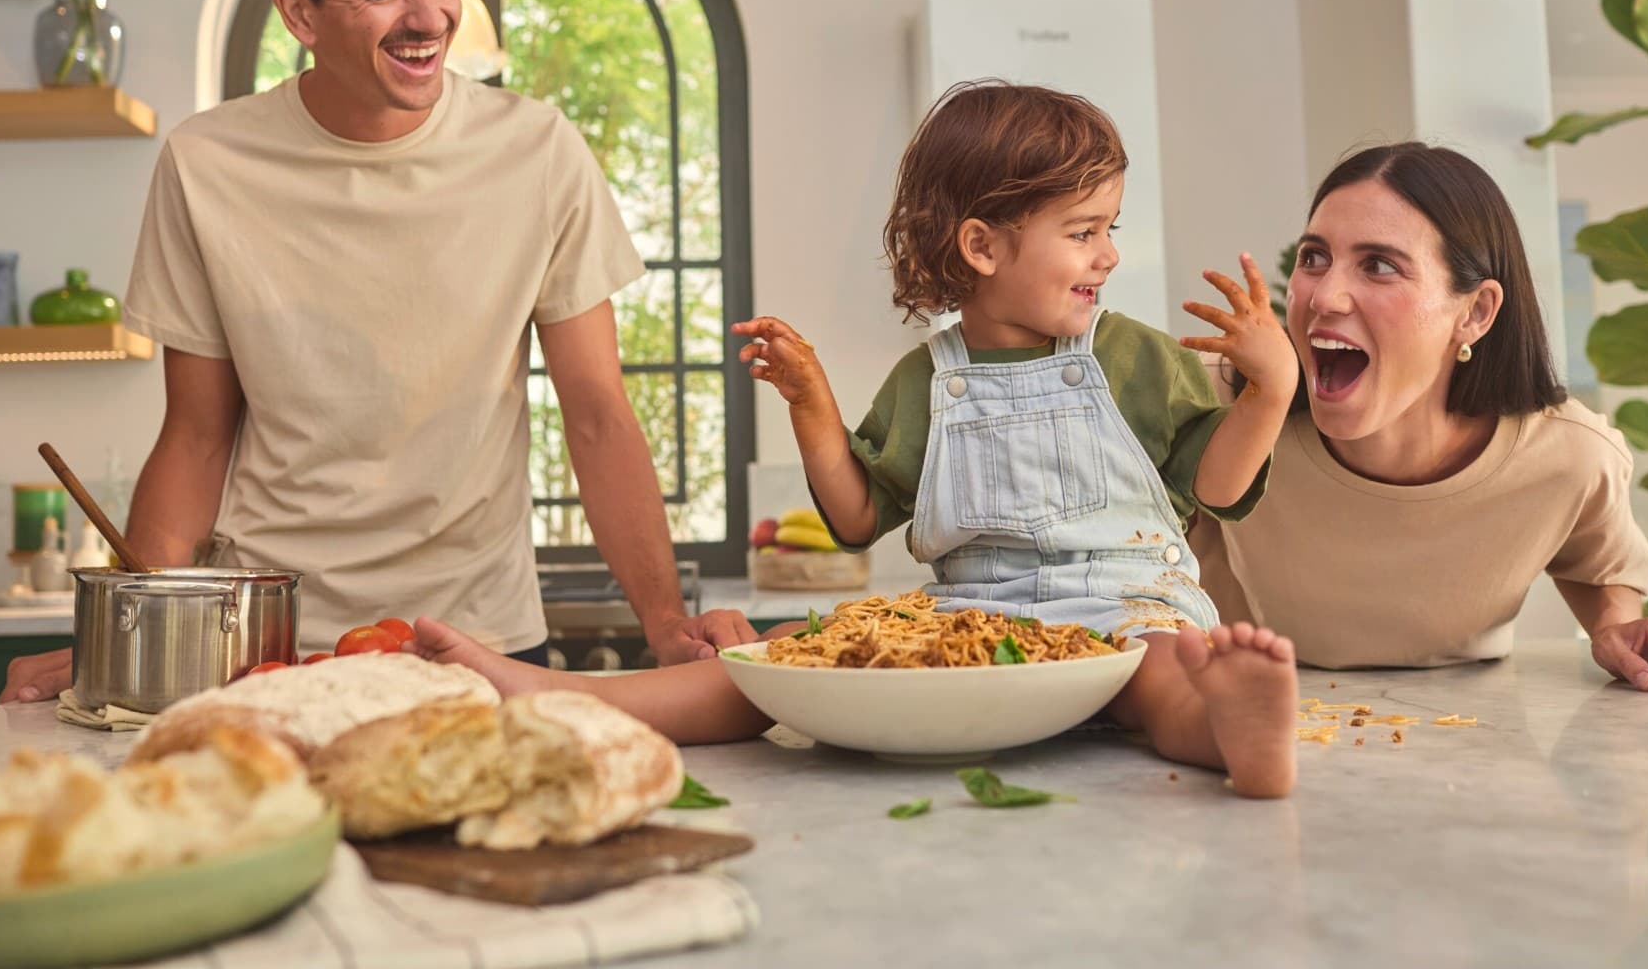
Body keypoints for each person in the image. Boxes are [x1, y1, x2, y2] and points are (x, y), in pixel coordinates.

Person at [0, 0, 752, 705]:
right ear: (299, 12)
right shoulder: (207, 164)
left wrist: (664, 624)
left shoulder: (538, 152)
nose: (431, 17)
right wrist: (125, 640)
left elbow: (595, 412)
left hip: (482, 642)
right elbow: (197, 436)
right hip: (268, 646)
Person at [415, 81, 1307, 799]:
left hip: (1122, 611)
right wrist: (811, 402)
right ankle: (573, 697)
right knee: (775, 670)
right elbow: (853, 517)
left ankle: (1233, 731)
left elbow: (1220, 488)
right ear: (983, 248)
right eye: (1084, 233)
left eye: (1108, 228)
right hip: (971, 626)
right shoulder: (929, 379)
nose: (1108, 254)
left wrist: (1271, 391)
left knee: (1159, 680)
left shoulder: (1131, 356)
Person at [1189, 142, 1648, 694]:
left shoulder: (1570, 453)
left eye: (1379, 266)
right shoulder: (1214, 398)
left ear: (1475, 313)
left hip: (1471, 729)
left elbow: (1601, 569)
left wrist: (1617, 628)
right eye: (1315, 258)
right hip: (1235, 709)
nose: (1325, 296)